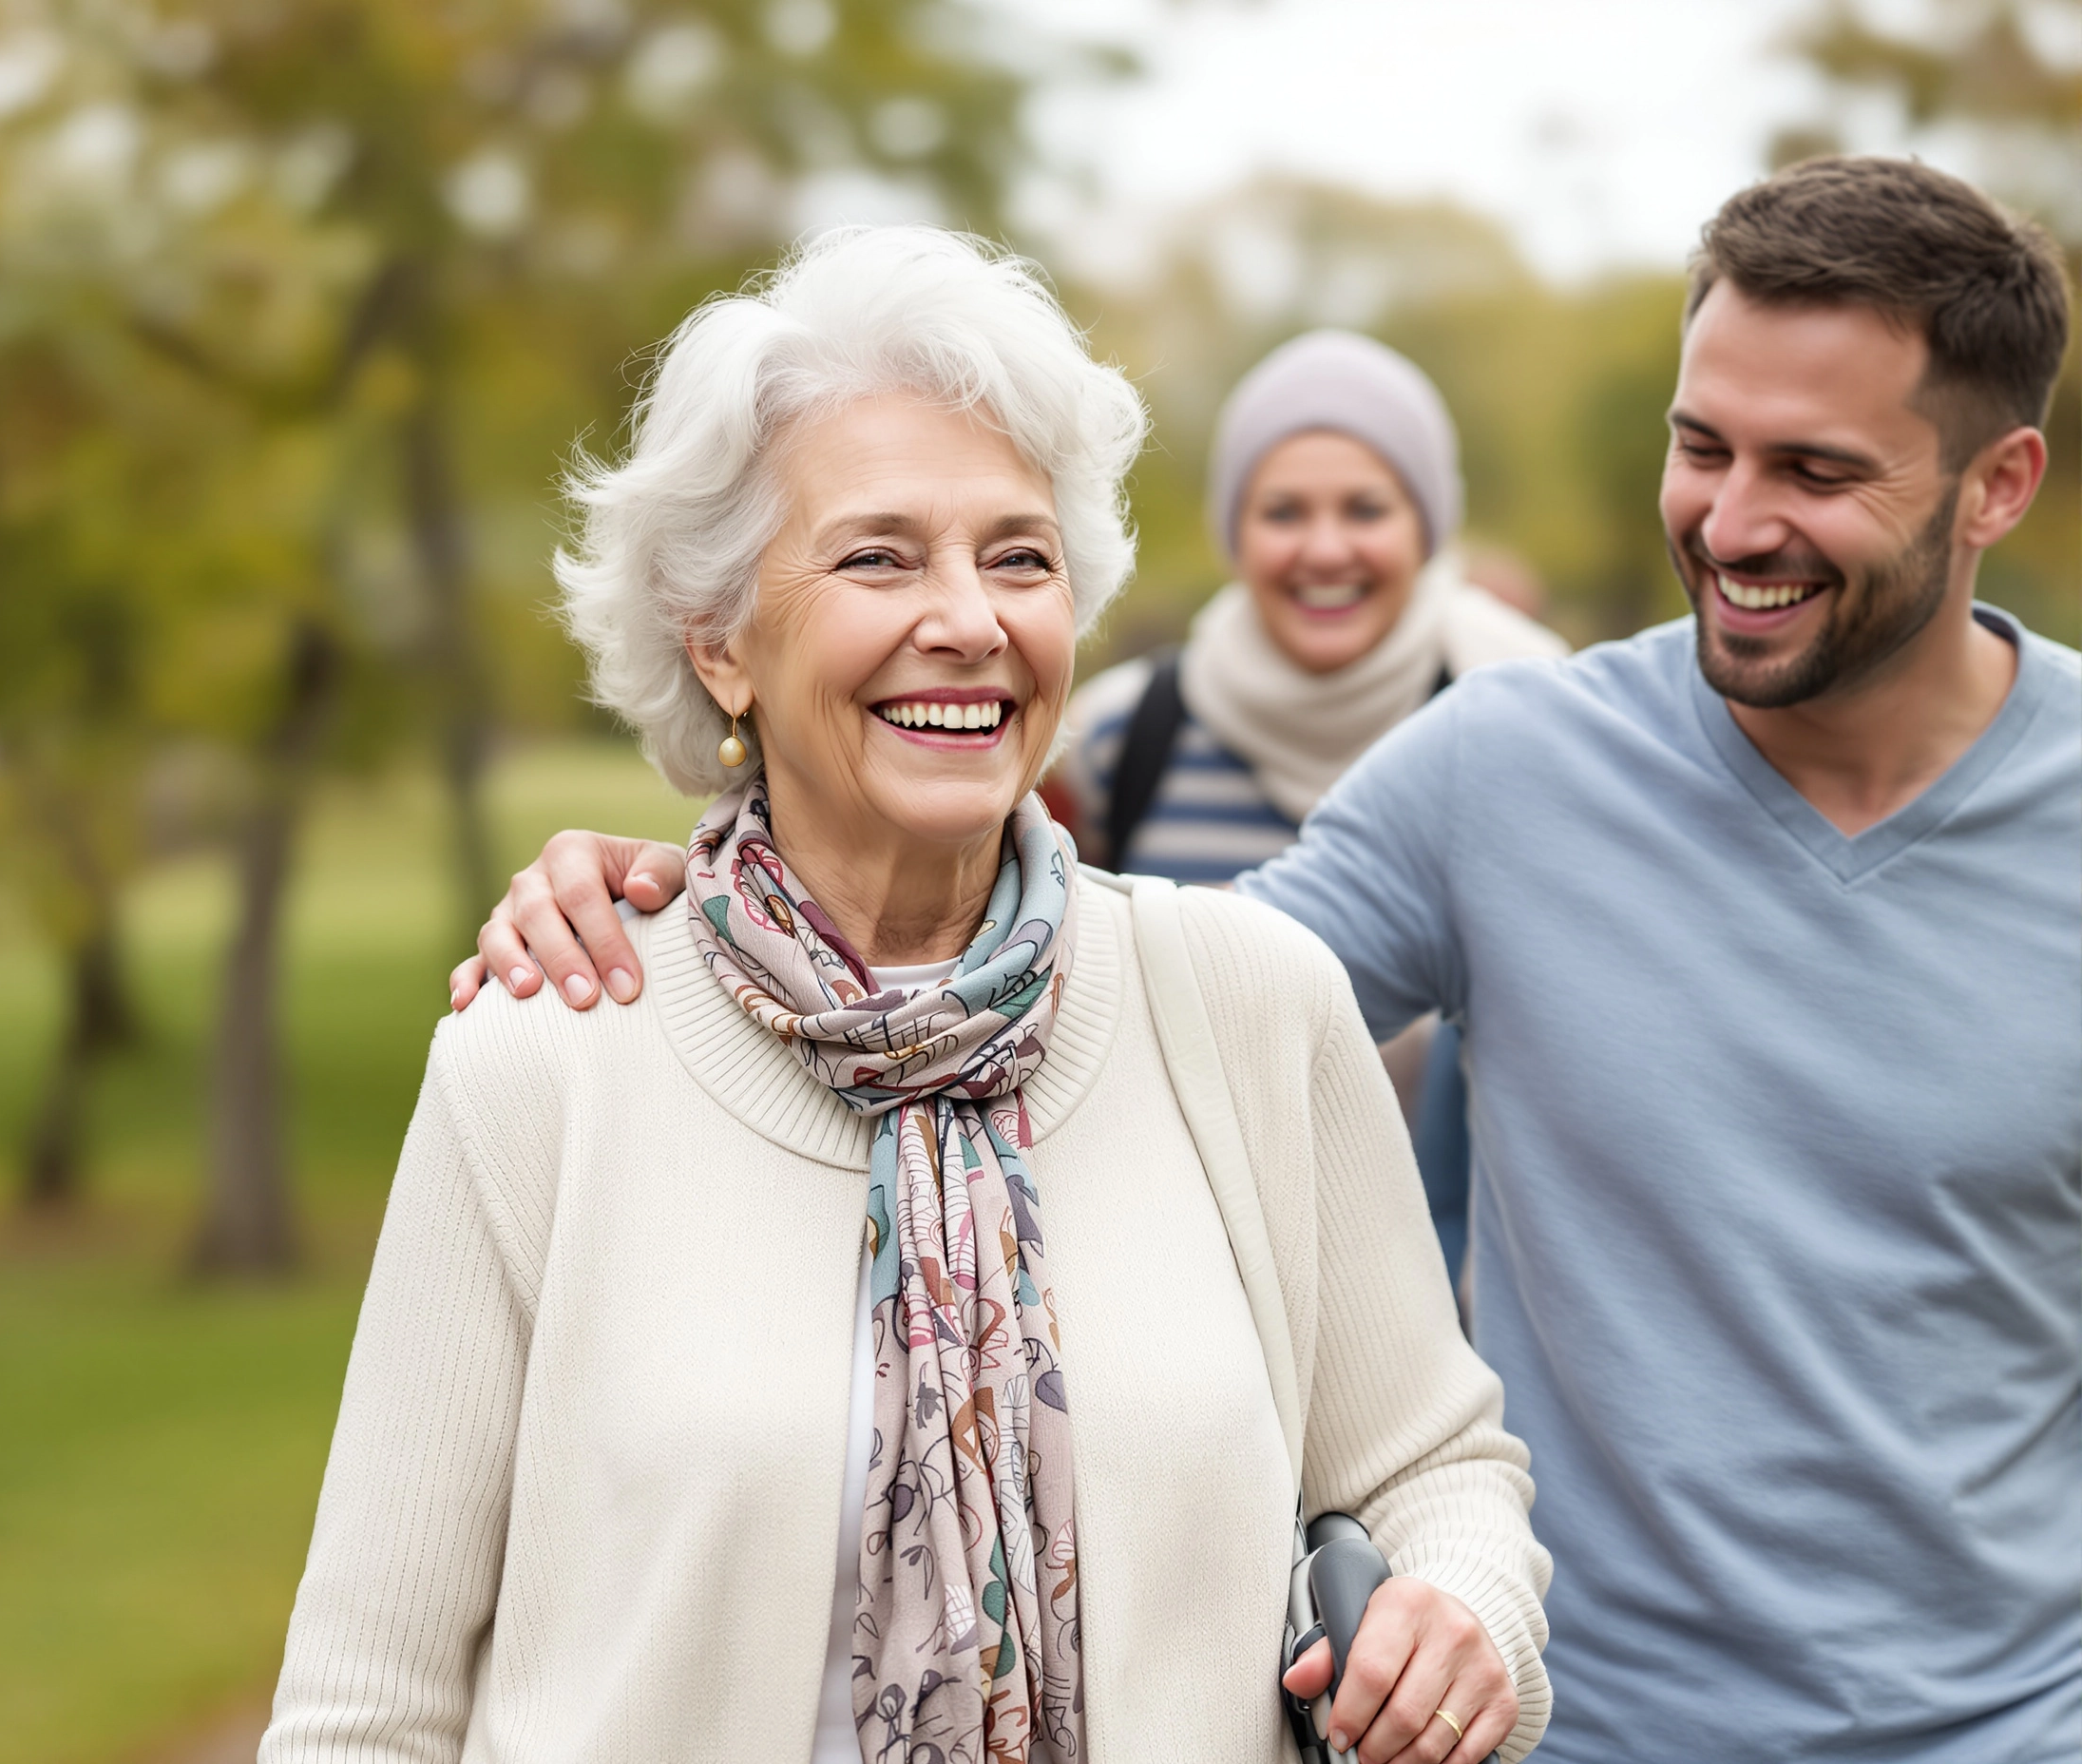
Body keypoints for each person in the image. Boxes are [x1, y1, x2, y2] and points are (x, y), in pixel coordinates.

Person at [448, 158, 2082, 1762]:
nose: (1730, 520)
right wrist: (721, 889)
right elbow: (1085, 997)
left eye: (1810, 469)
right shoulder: (1502, 773)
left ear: (1993, 485)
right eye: (1696, 445)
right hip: (1597, 1728)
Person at [261, 226, 1553, 1764]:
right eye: (877, 554)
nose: (967, 617)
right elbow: (363, 1709)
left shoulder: (1247, 1005)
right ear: (718, 640)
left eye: (1016, 555)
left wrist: (1459, 1612)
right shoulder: (549, 1058)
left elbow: (1436, 1468)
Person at [1045, 331, 1565, 1286]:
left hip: (1465, 1289)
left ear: (1428, 526)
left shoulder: (1529, 725)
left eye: (1366, 507)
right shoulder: (1118, 736)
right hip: (1184, 1273)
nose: (1325, 547)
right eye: (1284, 510)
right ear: (1234, 529)